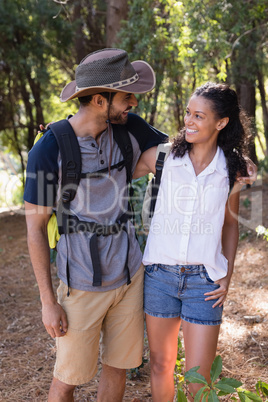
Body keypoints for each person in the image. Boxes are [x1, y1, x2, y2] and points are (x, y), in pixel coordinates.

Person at [24, 48, 168, 402]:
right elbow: (35, 228)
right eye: (126, 96)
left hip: (129, 275)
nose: (133, 102)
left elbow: (173, 155)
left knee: (118, 366)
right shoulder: (47, 150)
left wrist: (228, 155)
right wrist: (47, 301)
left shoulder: (129, 129)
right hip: (81, 284)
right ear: (101, 100)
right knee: (68, 378)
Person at [133, 82, 255, 400]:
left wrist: (225, 275)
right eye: (188, 112)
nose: (188, 120)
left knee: (197, 380)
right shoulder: (162, 158)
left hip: (205, 282)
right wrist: (64, 136)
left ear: (221, 122)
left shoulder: (231, 169)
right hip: (159, 277)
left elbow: (230, 225)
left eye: (199, 115)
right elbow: (111, 162)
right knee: (161, 366)